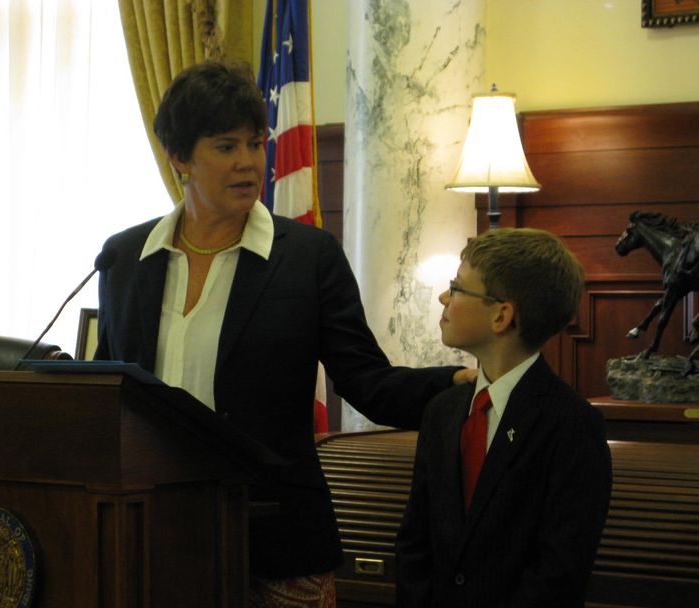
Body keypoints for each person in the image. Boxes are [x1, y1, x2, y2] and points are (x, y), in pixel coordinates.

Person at [94, 61, 473, 606]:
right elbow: (112, 394)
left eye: (256, 143)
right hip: (153, 533)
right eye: (226, 147)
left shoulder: (307, 257)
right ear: (180, 157)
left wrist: (456, 383)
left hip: (277, 536)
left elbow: (365, 380)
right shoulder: (127, 257)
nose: (248, 162)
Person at [395, 228, 612, 607]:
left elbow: (558, 572)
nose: (445, 297)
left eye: (457, 287)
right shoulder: (442, 411)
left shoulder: (571, 425)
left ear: (501, 315)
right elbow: (415, 544)